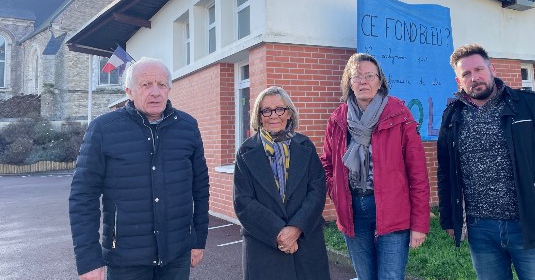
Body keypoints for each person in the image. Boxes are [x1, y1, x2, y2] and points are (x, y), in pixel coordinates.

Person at [437, 43, 535, 280]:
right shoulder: (452, 115)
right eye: (466, 74)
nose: (474, 78)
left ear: (492, 70)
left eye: (479, 70)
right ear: (459, 81)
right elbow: (445, 170)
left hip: (527, 221)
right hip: (480, 228)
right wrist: (449, 217)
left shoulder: (527, 104)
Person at [69, 57, 209, 280]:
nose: (155, 92)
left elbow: (200, 187)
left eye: (161, 84)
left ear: (169, 89)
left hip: (176, 256)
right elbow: (83, 197)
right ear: (129, 91)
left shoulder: (188, 127)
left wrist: (198, 239)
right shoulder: (103, 130)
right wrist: (89, 259)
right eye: (146, 85)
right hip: (126, 260)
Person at [321, 53, 430, 280]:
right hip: (352, 209)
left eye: (370, 76)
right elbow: (327, 163)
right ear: (349, 83)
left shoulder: (399, 114)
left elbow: (418, 172)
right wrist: (337, 192)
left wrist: (419, 223)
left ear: (380, 81)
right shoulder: (338, 119)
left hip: (392, 208)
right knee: (365, 276)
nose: (363, 81)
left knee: (390, 276)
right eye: (357, 76)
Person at [233, 86, 330, 280]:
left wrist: (296, 228)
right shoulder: (245, 152)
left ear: (289, 113)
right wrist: (280, 232)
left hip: (305, 243)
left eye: (279, 109)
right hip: (264, 245)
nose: (273, 115)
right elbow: (243, 202)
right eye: (266, 110)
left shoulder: (305, 146)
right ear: (259, 116)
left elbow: (317, 190)